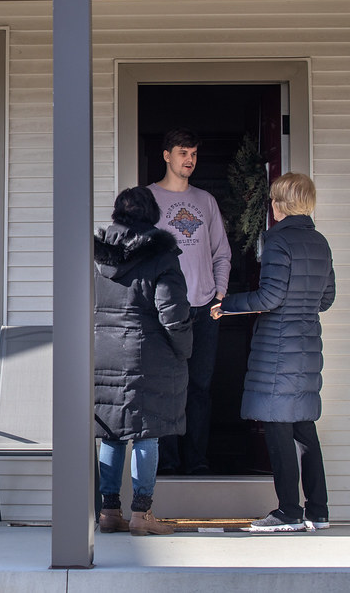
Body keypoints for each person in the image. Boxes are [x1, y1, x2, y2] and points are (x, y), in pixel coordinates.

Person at [211, 172, 336, 533]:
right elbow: (326, 299)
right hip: (308, 342)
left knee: (278, 428)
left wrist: (225, 304)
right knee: (303, 429)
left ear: (279, 205)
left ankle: (288, 513)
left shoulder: (278, 243)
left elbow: (269, 298)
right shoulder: (320, 243)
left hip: (279, 347)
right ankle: (319, 511)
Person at [93, 187, 192, 536]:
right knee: (146, 433)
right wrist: (184, 349)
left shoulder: (98, 255)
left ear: (119, 215)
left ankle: (108, 512)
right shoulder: (161, 257)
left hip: (103, 351)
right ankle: (141, 513)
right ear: (152, 216)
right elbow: (174, 315)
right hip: (148, 354)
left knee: (111, 433)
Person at [147, 127, 231, 475]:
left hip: (204, 307)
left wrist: (220, 292)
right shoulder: (148, 198)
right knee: (166, 387)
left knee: (200, 387)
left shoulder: (205, 201)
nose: (190, 160)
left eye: (194, 154)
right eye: (183, 153)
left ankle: (197, 461)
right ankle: (166, 463)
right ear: (167, 155)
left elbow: (221, 253)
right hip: (164, 311)